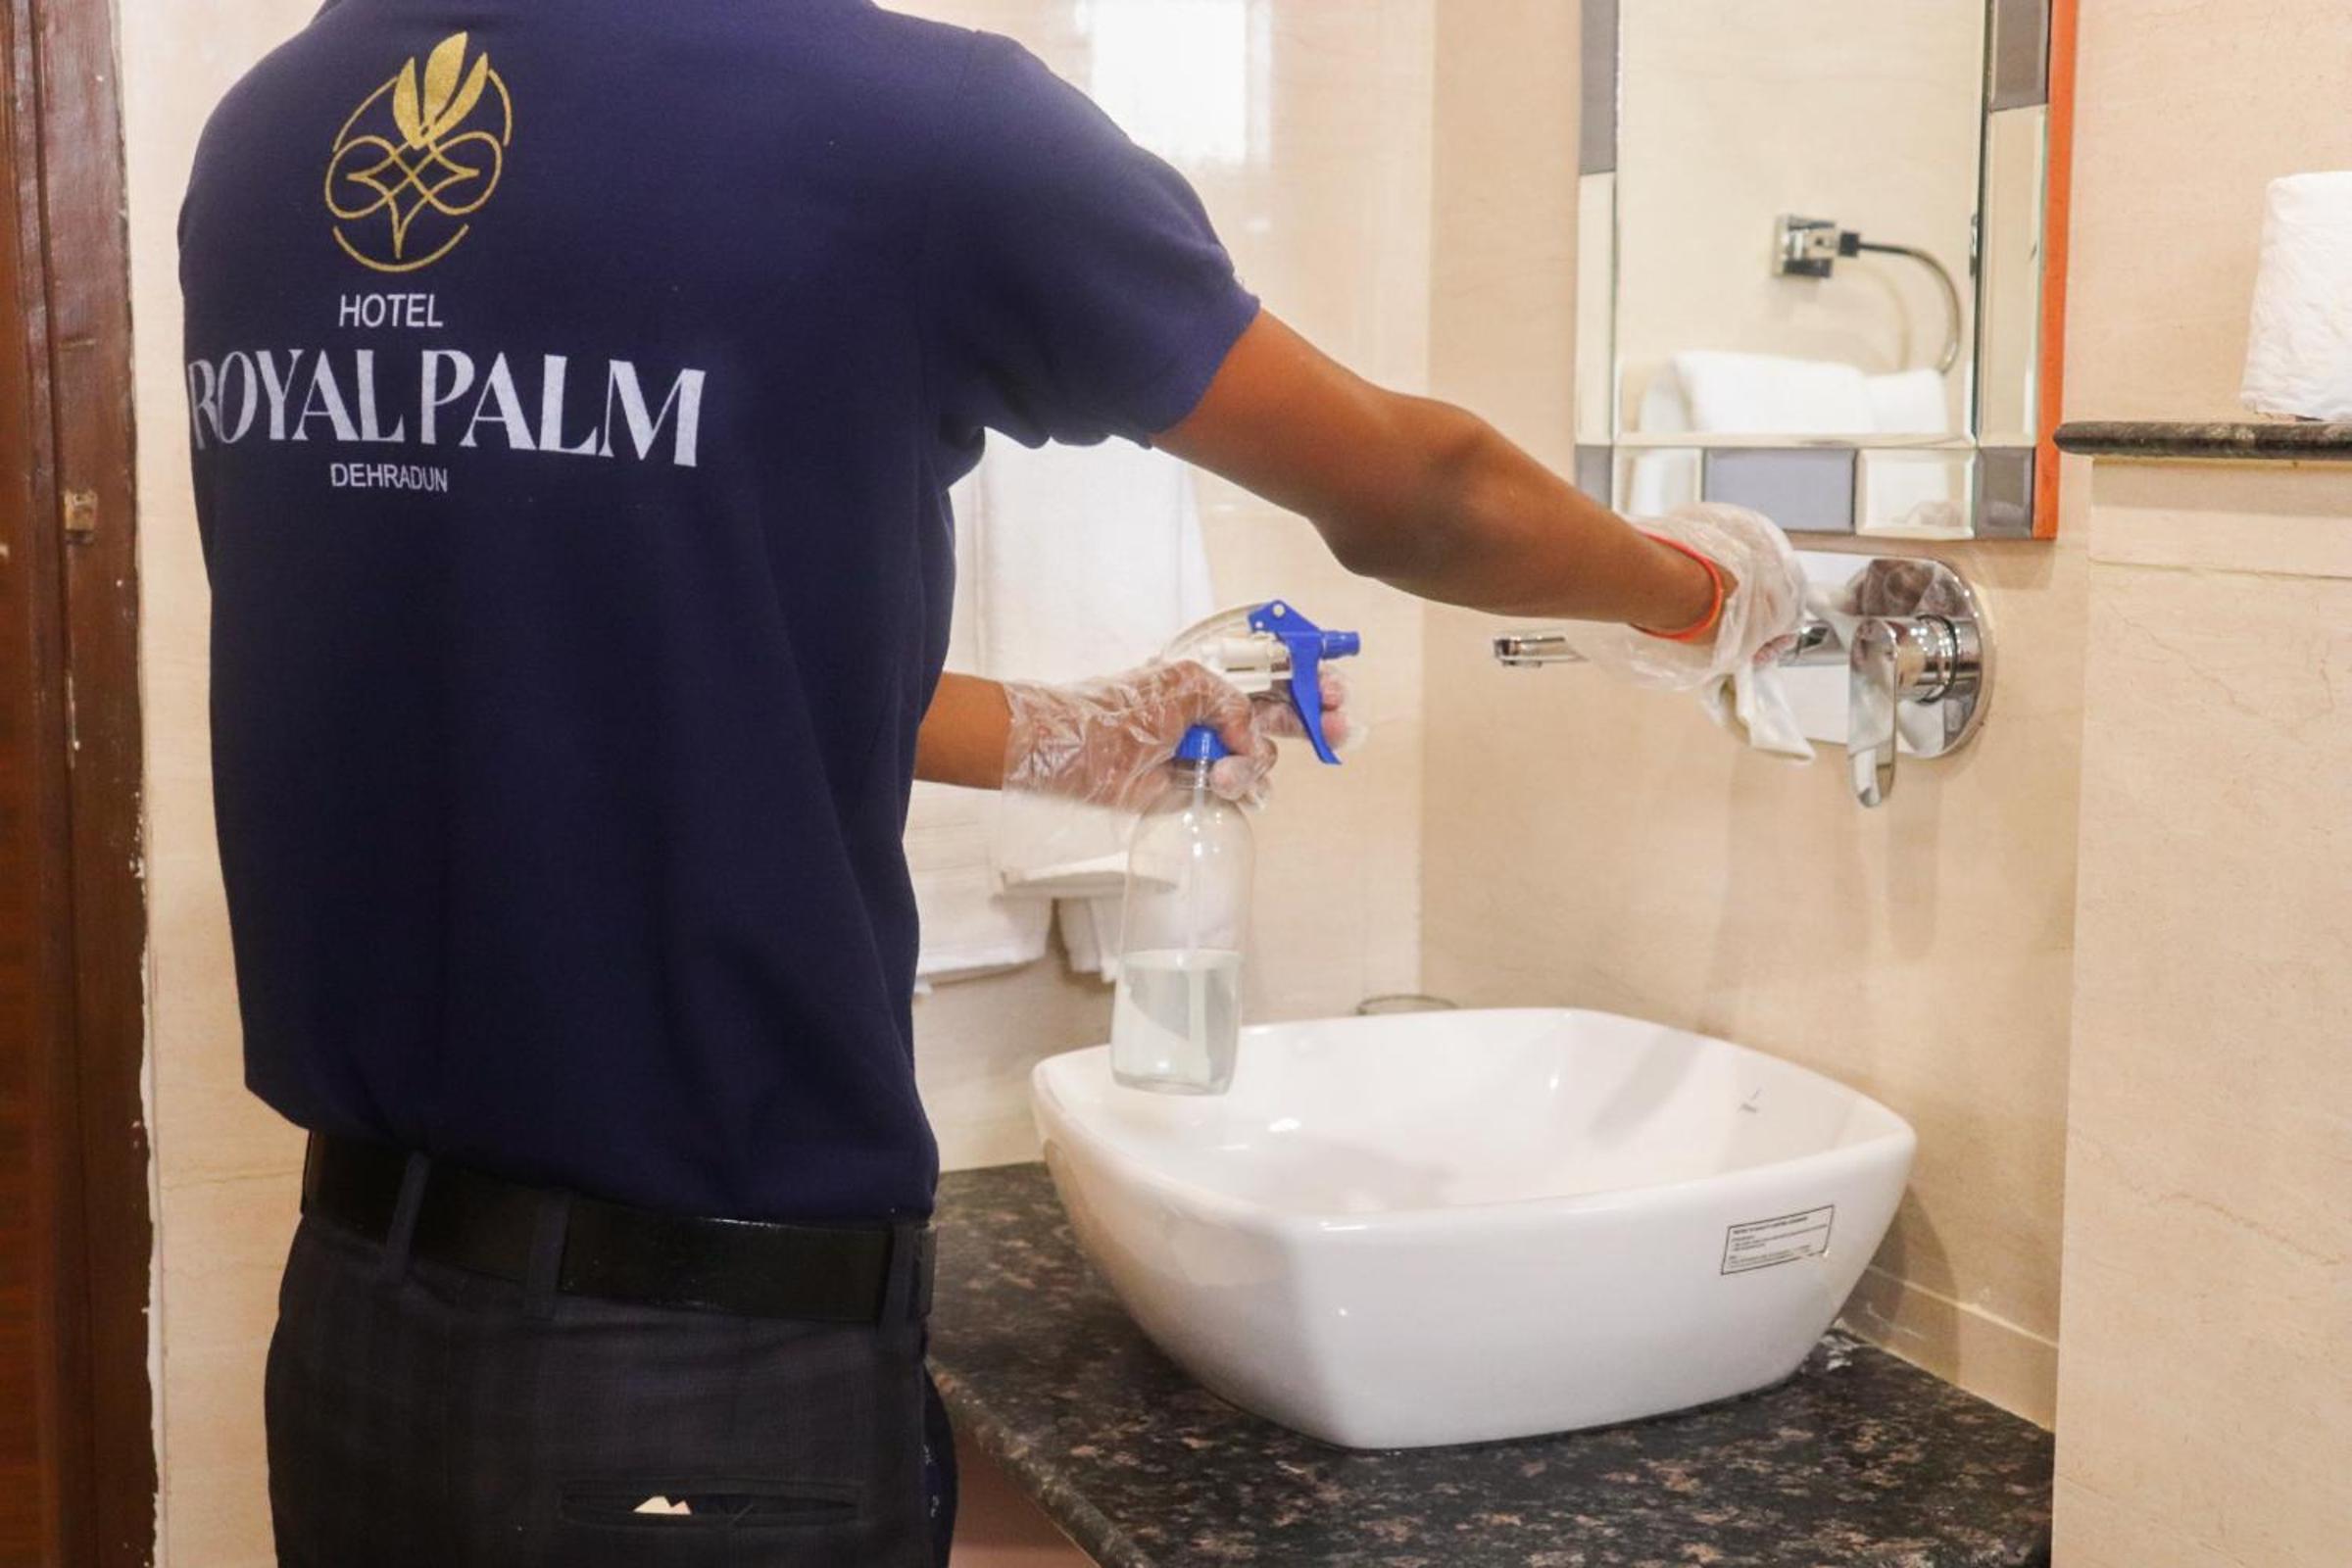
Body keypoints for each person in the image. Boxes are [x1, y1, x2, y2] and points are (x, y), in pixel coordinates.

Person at [176, 2, 1805, 1564]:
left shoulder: (275, 131)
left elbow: (625, 643)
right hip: (695, 1372)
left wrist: (1067, 733)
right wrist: (1704, 594)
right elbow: (1422, 493)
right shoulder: (908, 122)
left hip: (360, 1337)